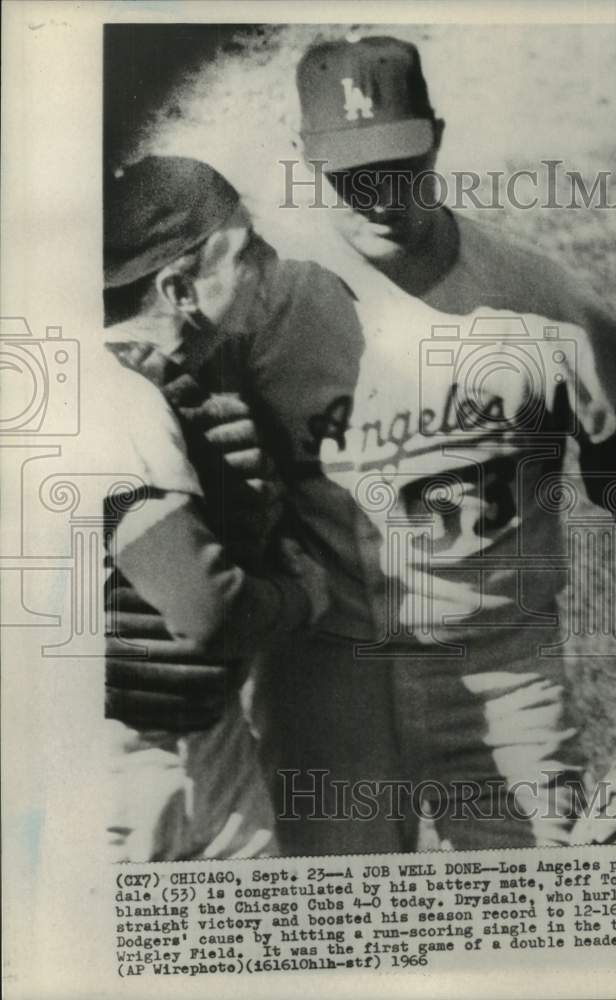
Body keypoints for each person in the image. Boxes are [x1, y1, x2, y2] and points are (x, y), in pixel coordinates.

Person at [223, 34, 616, 855]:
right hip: (327, 677)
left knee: (526, 945)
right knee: (335, 948)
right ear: (304, 162)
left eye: (400, 165)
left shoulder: (534, 294)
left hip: (504, 671)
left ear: (438, 137)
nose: (379, 196)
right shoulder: (266, 305)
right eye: (350, 175)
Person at [101, 155, 331, 861]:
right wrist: (304, 597)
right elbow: (207, 611)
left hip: (201, 739)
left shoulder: (165, 384)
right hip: (132, 767)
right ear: (178, 288)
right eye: (245, 249)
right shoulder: (116, 403)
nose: (267, 261)